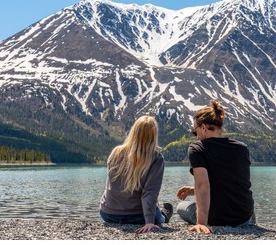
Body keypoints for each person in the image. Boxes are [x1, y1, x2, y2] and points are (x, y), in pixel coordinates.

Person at [176, 100, 254, 234]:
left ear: (204, 128)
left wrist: (201, 223)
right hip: (244, 218)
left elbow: (202, 185)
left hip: (216, 218)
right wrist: (194, 190)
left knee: (181, 207)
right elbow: (233, 184)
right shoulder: (242, 148)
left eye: (195, 131)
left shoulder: (197, 148)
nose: (196, 136)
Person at [99, 115, 173, 233]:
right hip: (138, 217)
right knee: (160, 217)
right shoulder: (156, 158)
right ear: (154, 136)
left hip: (108, 214)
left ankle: (161, 212)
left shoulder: (116, 152)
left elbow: (112, 186)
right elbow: (149, 192)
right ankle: (165, 215)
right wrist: (149, 222)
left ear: (134, 132)